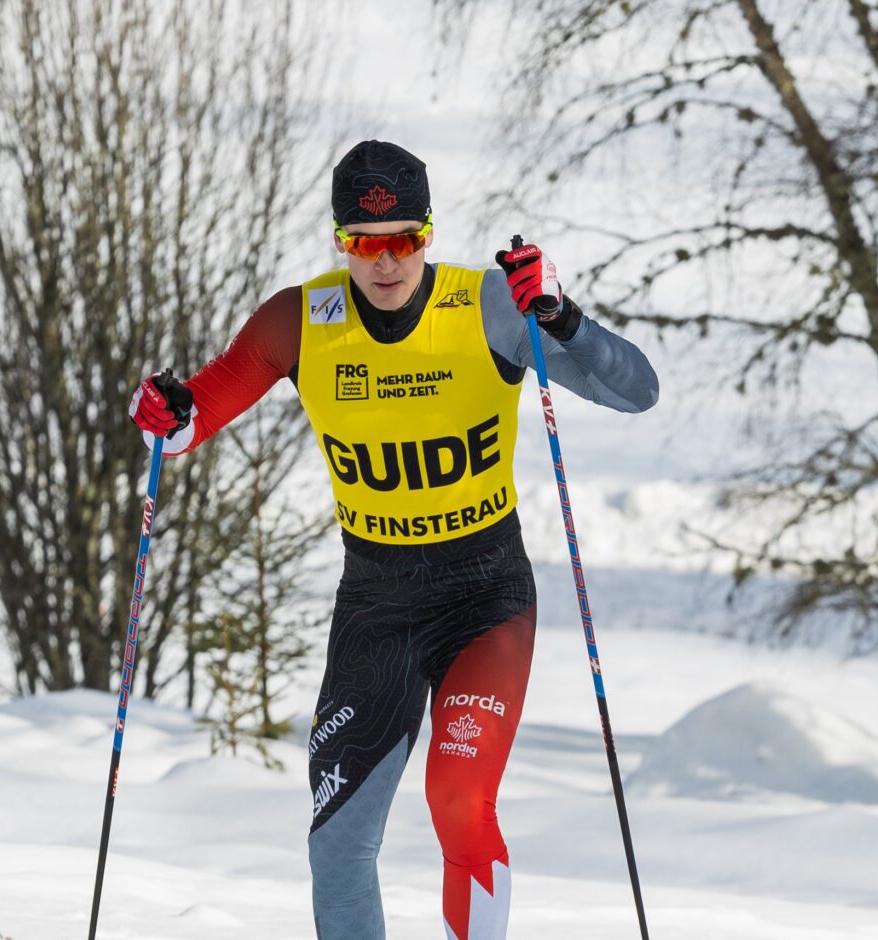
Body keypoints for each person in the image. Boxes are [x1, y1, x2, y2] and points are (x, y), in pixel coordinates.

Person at [130, 140, 659, 940]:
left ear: (429, 233)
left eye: (404, 239)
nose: (386, 262)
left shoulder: (489, 306)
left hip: (484, 596)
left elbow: (638, 391)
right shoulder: (299, 321)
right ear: (340, 240)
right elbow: (187, 422)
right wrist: (164, 414)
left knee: (460, 801)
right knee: (338, 844)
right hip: (377, 604)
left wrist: (562, 318)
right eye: (364, 243)